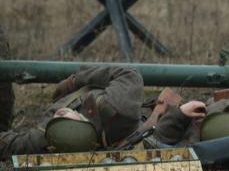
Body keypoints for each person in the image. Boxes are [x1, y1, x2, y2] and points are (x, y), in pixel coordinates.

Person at [0, 66, 143, 160]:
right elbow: (130, 74)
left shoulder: (46, 139)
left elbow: (12, 144)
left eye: (57, 121)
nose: (58, 115)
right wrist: (74, 82)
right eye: (64, 119)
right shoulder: (117, 107)